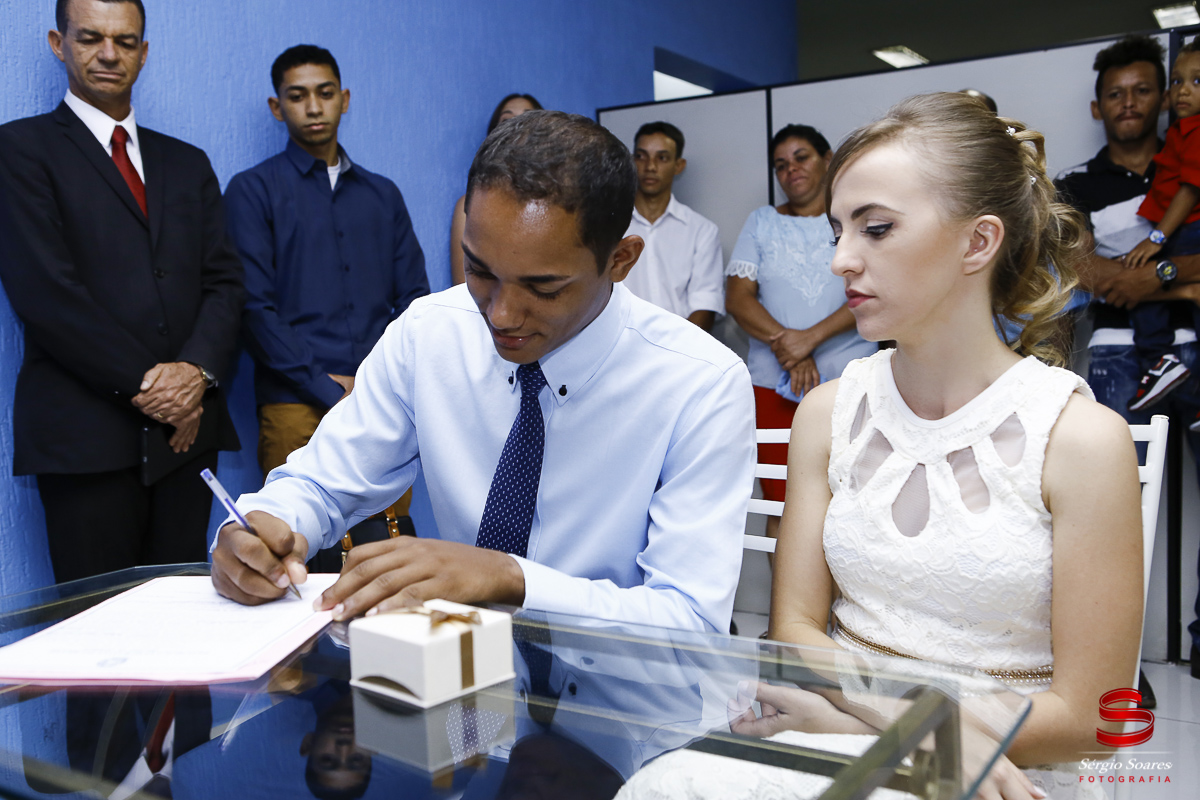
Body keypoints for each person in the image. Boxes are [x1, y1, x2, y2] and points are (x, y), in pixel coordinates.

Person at [211, 110, 756, 635]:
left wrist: (509, 580)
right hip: (462, 693)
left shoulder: (701, 384)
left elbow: (690, 620)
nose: (500, 315)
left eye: (543, 287)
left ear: (621, 260)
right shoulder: (429, 334)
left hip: (630, 712)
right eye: (479, 271)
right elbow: (323, 483)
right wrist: (267, 525)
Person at [756, 94, 1142, 800]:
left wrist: (875, 728)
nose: (841, 260)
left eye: (876, 229)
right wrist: (903, 733)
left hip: (1008, 773)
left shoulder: (1081, 440)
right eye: (837, 231)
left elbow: (1093, 716)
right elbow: (794, 626)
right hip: (842, 744)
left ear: (978, 242)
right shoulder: (828, 412)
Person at [0, 0, 243, 583]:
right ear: (59, 44)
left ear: (144, 51)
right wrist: (157, 389)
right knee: (101, 647)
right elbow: (46, 294)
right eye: (90, 38)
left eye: (126, 41)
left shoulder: (188, 163)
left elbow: (226, 283)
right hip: (85, 439)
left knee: (183, 643)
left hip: (188, 440)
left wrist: (194, 376)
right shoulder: (20, 150)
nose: (109, 53)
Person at [223, 45, 429, 568]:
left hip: (382, 403)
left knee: (386, 558)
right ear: (277, 107)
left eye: (324, 93)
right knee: (296, 559)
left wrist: (375, 383)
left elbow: (414, 302)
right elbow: (254, 308)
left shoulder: (384, 196)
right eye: (298, 96)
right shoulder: (252, 191)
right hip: (294, 401)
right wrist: (325, 386)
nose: (313, 107)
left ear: (345, 99)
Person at [1057, 34, 1200, 680]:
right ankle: (1113, 667)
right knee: (1110, 516)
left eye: (1143, 89)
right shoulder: (1075, 186)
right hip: (1116, 356)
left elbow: (1124, 275)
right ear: (1097, 108)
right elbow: (1086, 273)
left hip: (1197, 347)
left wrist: (1153, 271)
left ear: (1165, 98)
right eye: (1115, 94)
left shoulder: (1191, 168)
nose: (1129, 102)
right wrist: (1180, 276)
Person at [724, 124, 873, 547]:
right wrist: (789, 345)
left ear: (828, 159)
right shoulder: (762, 221)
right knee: (784, 506)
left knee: (852, 501)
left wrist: (808, 339)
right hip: (773, 387)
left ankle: (843, 616)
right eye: (781, 165)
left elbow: (878, 287)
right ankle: (789, 614)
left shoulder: (856, 219)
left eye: (801, 157)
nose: (791, 170)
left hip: (851, 381)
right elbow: (738, 298)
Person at [1119, 41, 1200, 412]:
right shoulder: (1183, 131)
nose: (1183, 89)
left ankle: (1158, 361)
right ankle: (1161, 363)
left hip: (1188, 230)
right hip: (1182, 231)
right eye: (1178, 80)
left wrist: (1157, 238)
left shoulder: (1197, 131)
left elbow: (1190, 188)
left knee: (1142, 278)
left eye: (1198, 81)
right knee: (1141, 281)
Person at [621, 121, 723, 332]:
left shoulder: (701, 231)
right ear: (631, 162)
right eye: (641, 156)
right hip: (620, 349)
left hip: (683, 350)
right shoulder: (610, 226)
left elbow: (705, 304)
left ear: (679, 166)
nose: (650, 166)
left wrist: (678, 355)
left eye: (662, 158)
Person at [449, 93, 542, 285]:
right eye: (507, 120)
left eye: (528, 118)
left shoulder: (563, 203)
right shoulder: (469, 206)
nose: (518, 126)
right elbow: (462, 287)